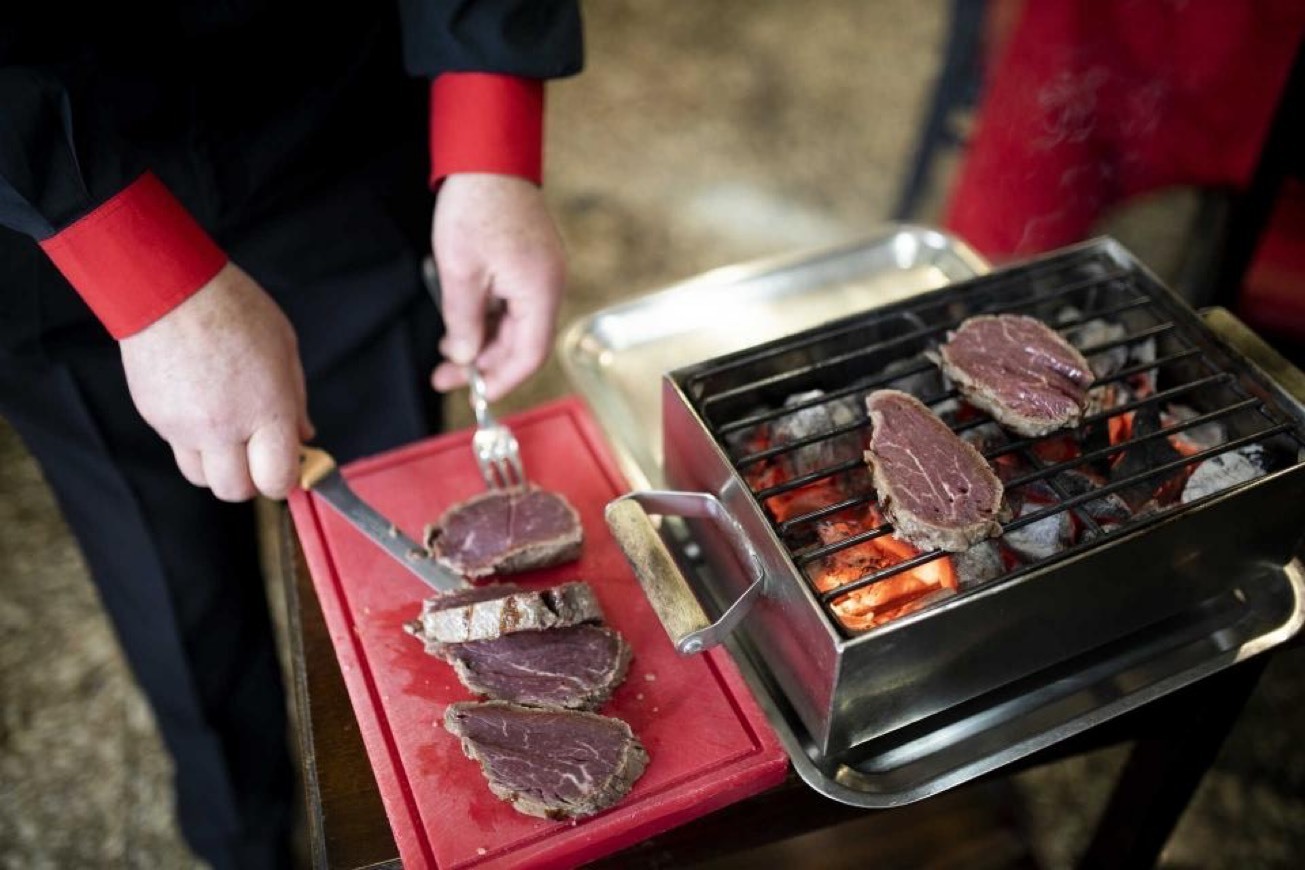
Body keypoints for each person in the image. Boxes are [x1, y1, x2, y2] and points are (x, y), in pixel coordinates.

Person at [0, 1, 582, 867]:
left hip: (333, 130)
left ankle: (422, 824)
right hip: (45, 220)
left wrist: (489, 134)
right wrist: (137, 271)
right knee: (173, 590)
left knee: (397, 566)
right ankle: (243, 839)